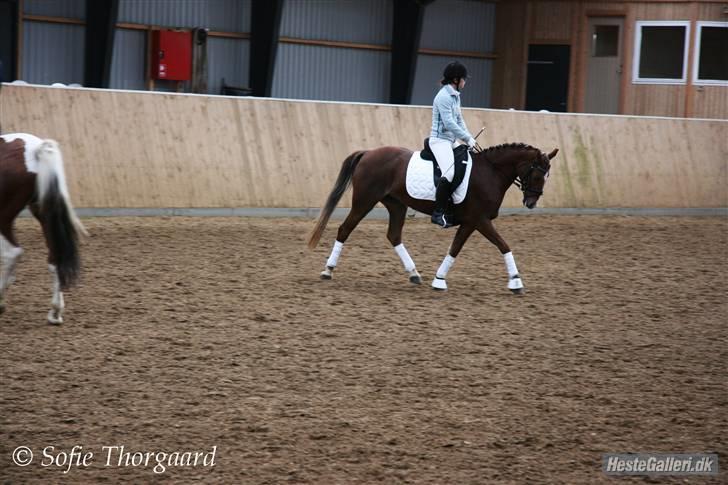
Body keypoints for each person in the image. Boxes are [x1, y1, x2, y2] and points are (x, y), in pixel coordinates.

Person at [429, 61, 476, 228]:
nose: (465, 82)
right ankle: (438, 213)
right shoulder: (443, 97)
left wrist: (469, 138)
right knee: (448, 174)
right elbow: (449, 123)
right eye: (463, 79)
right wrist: (465, 137)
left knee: (468, 162)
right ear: (456, 80)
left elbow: (459, 120)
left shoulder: (455, 96)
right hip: (439, 140)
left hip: (451, 141)